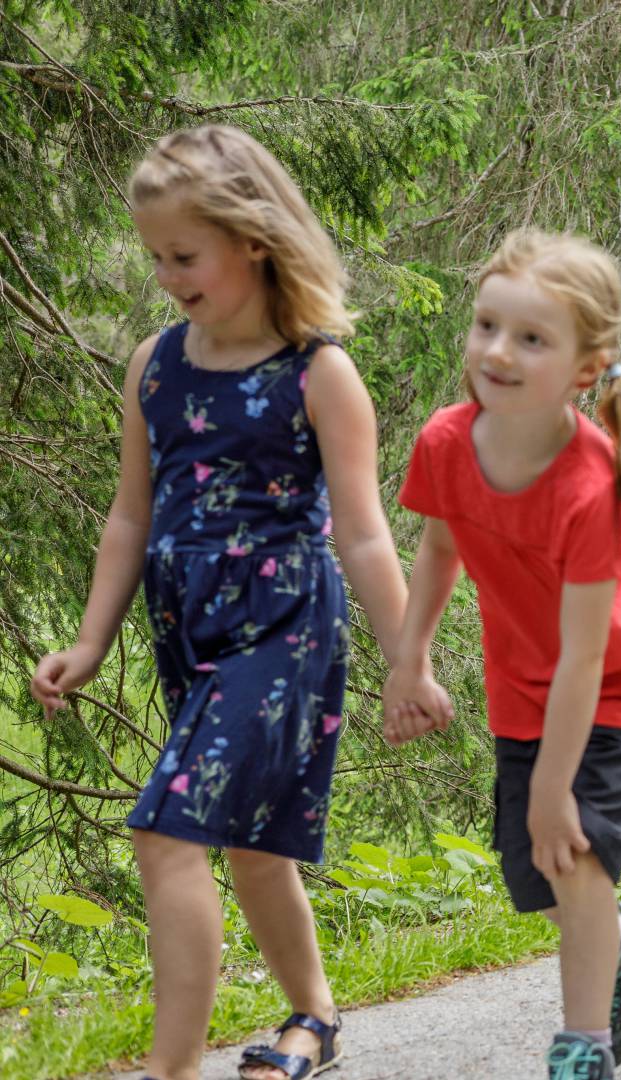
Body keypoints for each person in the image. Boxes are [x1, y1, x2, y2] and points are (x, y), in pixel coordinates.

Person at [30, 125, 416, 1080]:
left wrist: (410, 658)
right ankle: (315, 1019)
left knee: (168, 830)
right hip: (190, 635)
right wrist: (89, 641)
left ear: (253, 238)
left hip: (286, 630)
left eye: (185, 254)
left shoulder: (317, 373)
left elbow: (364, 535)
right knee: (249, 842)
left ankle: (170, 1069)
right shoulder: (155, 363)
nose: (167, 274)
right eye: (156, 255)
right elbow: (129, 517)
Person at [382, 229, 621, 1078]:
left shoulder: (590, 486)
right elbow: (439, 549)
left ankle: (582, 1048)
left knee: (573, 853)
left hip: (618, 681)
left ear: (585, 370)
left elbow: (587, 658)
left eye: (531, 338)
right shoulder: (446, 441)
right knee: (542, 879)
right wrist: (412, 658)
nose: (498, 352)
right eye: (486, 326)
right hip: (525, 685)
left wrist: (555, 792)